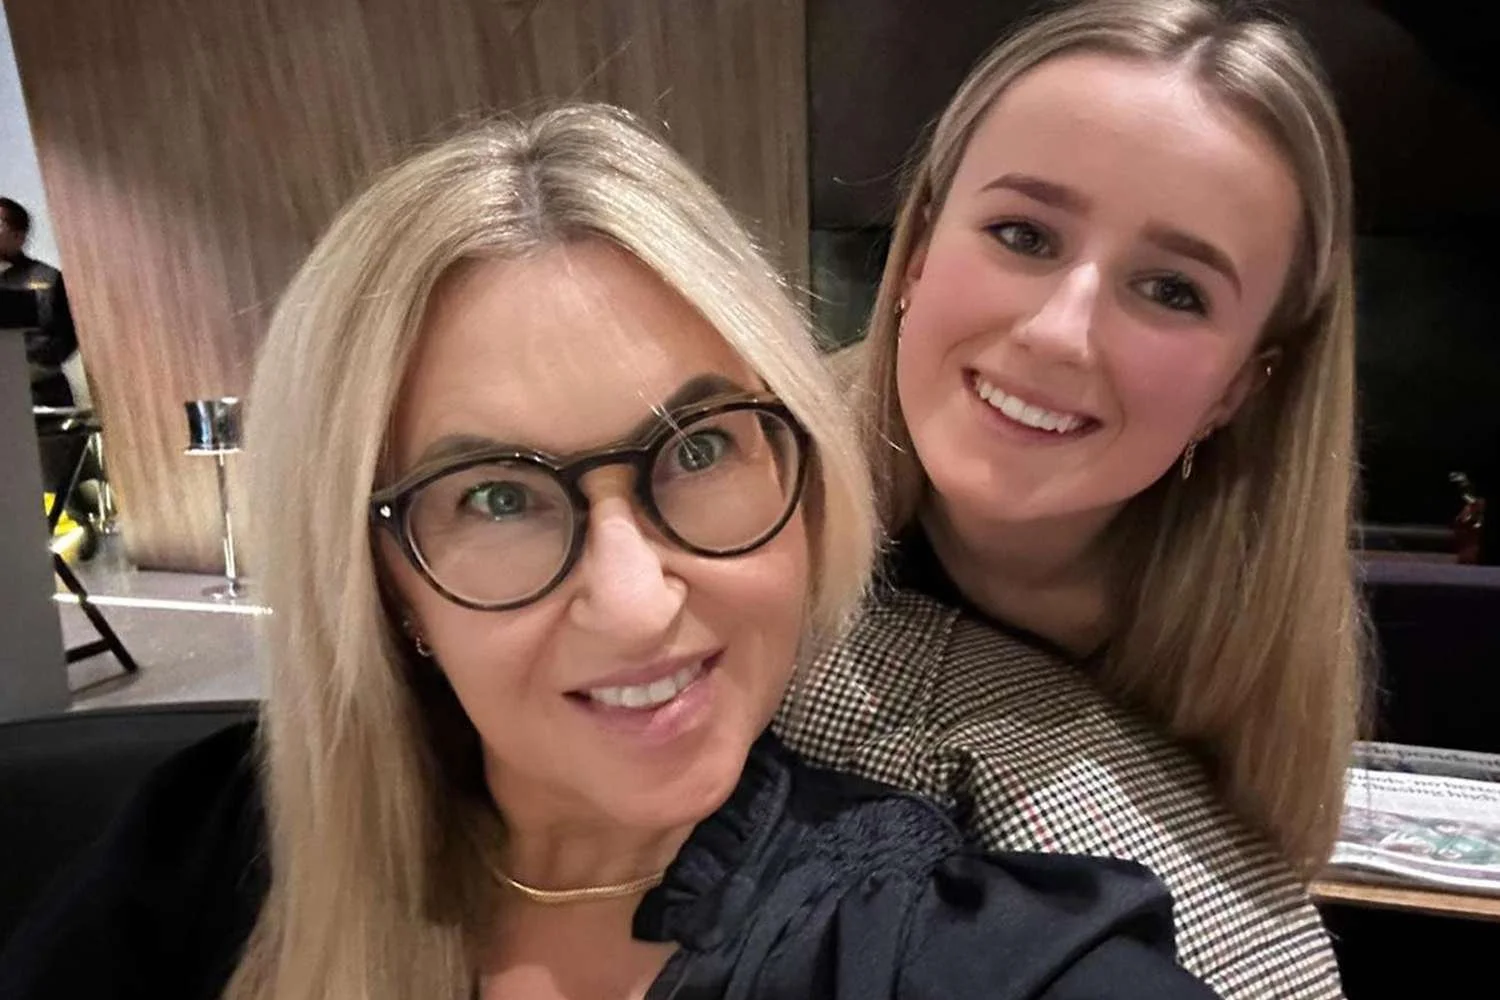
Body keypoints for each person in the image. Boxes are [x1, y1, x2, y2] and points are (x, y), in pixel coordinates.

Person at [0, 105, 1215, 1000]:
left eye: (700, 448)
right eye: (495, 498)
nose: (636, 605)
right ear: (384, 580)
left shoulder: (941, 950)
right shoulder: (211, 849)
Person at [778, 1, 1361, 997]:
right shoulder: (734, 513)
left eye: (1172, 290)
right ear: (917, 253)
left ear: (1237, 387)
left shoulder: (1243, 656)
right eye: (1023, 234)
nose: (1059, 331)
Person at [0, 197, 78, 409]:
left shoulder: (48, 279)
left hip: (42, 393)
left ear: (19, 235)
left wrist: (23, 363)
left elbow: (66, 339)